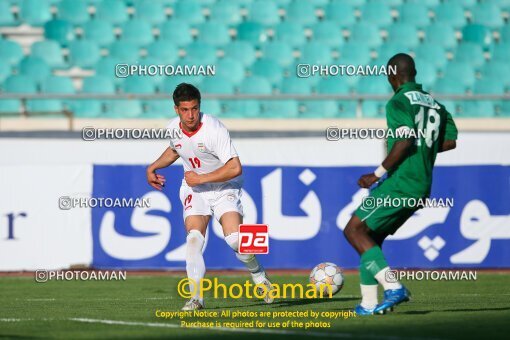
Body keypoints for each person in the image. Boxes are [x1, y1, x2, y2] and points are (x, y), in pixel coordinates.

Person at [343, 53, 458, 315]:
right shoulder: (436, 106)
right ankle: (369, 304)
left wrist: (377, 173)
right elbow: (450, 141)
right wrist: (424, 147)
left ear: (391, 75)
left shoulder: (398, 102)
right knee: (369, 238)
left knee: (354, 231)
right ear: (414, 73)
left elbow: (404, 142)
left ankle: (393, 287)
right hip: (421, 187)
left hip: (401, 182)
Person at [146, 83, 273, 310]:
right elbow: (175, 149)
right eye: (185, 110)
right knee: (194, 239)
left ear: (199, 106)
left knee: (236, 240)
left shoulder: (214, 129)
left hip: (225, 187)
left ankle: (259, 274)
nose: (191, 115)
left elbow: (235, 168)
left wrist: (201, 178)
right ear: (176, 110)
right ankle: (196, 298)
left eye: (194, 108)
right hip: (195, 190)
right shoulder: (172, 128)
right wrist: (153, 167)